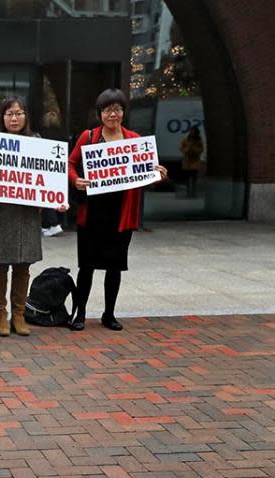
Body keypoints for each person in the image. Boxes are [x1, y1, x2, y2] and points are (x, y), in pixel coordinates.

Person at [68, 89, 168, 332]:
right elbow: (70, 163)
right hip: (92, 211)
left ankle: (109, 314)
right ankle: (79, 314)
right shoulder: (89, 137)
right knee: (87, 265)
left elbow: (146, 172)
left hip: (120, 212)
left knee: (115, 265)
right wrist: (75, 180)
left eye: (117, 109)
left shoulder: (134, 139)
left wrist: (159, 175)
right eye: (107, 110)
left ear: (123, 112)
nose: (113, 114)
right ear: (100, 113)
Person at [0, 96, 66, 337]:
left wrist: (57, 200)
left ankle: (19, 314)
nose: (14, 118)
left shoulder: (37, 142)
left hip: (26, 214)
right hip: (0, 214)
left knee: (23, 265)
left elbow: (48, 179)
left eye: (19, 113)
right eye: (9, 114)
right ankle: (0, 314)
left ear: (26, 116)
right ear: (2, 118)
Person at [40, 109, 66, 237]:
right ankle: (48, 225)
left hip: (46, 169)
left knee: (46, 197)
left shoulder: (42, 134)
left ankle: (53, 224)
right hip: (60, 170)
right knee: (56, 196)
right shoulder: (62, 134)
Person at [180, 127, 204, 198]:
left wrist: (194, 149)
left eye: (193, 131)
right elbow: (181, 148)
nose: (192, 133)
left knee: (194, 178)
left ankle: (193, 192)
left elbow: (201, 149)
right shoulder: (186, 139)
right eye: (191, 131)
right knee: (187, 178)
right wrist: (187, 149)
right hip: (187, 161)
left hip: (195, 161)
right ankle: (188, 192)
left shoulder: (199, 141)